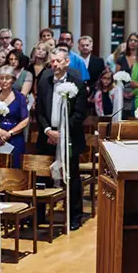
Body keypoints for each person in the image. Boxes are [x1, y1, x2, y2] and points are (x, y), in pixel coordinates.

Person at [35, 47, 88, 230]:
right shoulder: (44, 82)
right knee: (43, 176)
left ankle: (75, 216)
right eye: (53, 61)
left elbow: (80, 114)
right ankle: (40, 215)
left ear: (67, 62)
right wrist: (48, 130)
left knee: (71, 178)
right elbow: (39, 111)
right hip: (48, 136)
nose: (55, 64)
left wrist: (62, 133)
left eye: (59, 61)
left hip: (70, 137)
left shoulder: (78, 84)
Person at [0, 65, 29, 167]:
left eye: (7, 78)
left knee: (14, 168)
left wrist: (10, 133)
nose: (4, 81)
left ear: (13, 80)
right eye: (1, 78)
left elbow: (25, 120)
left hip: (14, 137)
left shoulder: (20, 97)